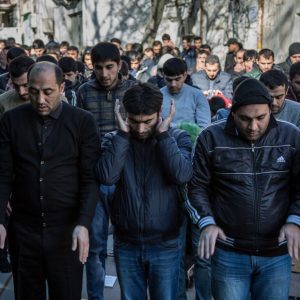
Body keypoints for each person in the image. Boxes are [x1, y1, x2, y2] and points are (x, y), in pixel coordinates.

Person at [188, 78, 300, 300]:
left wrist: (295, 219)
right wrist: (207, 222)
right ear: (232, 113)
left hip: (276, 253)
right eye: (245, 119)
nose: (253, 127)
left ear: (271, 110)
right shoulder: (210, 138)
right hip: (229, 252)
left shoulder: (291, 136)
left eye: (261, 118)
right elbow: (195, 187)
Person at [0, 61, 100, 299]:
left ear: (62, 87)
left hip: (68, 231)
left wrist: (84, 223)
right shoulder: (10, 120)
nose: (40, 99)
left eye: (47, 92)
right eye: (33, 92)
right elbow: (3, 175)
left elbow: (90, 179)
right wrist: (1, 220)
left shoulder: (82, 122)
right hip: (24, 230)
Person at [96, 82, 193, 300]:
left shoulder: (177, 138)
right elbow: (107, 176)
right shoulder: (114, 140)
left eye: (147, 122)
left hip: (166, 243)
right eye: (134, 121)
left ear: (160, 112)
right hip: (126, 242)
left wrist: (163, 136)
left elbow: (182, 175)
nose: (140, 129)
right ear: (125, 115)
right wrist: (122, 136)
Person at [77, 42, 134, 300]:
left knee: (128, 243)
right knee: (96, 244)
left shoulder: (134, 90)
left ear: (119, 65)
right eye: (98, 68)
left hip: (127, 175)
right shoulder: (84, 92)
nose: (104, 74)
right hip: (95, 175)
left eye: (109, 67)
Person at [161, 57, 211, 130]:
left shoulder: (197, 95)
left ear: (185, 75)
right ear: (163, 76)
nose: (173, 84)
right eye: (169, 80)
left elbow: (204, 127)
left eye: (177, 79)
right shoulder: (158, 96)